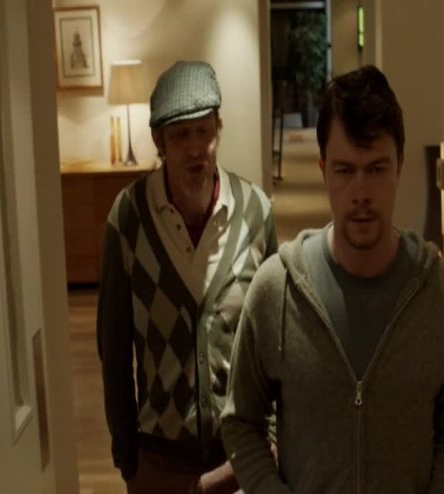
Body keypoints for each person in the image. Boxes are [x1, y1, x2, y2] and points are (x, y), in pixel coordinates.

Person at [221, 65, 444, 493]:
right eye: (345, 170)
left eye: (376, 169)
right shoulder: (275, 290)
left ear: (399, 166)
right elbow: (241, 422)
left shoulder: (443, 295)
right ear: (324, 170)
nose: (361, 193)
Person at [97, 60, 278, 494]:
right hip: (158, 458)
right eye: (180, 135)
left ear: (219, 128)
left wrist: (272, 439)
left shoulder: (255, 212)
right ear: (159, 141)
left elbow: (276, 340)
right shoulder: (129, 218)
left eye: (204, 131)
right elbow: (113, 346)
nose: (196, 148)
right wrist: (127, 457)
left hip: (241, 455)